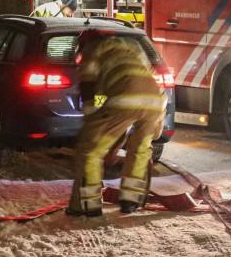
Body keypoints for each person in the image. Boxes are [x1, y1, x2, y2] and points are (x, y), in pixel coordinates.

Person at [68, 29, 165, 217]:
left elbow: (89, 89)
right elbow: (106, 93)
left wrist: (91, 126)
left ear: (84, 44)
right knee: (139, 150)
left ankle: (88, 206)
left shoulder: (92, 50)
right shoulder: (130, 49)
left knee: (90, 150)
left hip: (125, 97)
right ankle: (130, 200)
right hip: (154, 100)